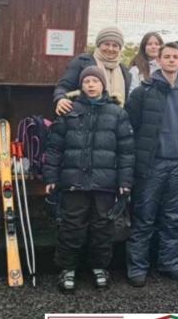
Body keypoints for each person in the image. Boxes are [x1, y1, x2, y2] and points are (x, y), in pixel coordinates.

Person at [43, 66, 135, 292]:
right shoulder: (68, 111)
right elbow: (54, 148)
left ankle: (100, 267)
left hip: (105, 183)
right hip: (74, 182)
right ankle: (67, 269)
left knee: (102, 228)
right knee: (71, 227)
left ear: (103, 85)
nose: (91, 85)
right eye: (87, 81)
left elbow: (126, 152)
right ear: (81, 85)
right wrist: (51, 176)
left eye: (95, 81)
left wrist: (125, 182)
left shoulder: (118, 113)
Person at [125, 42, 178, 287]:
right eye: (166, 56)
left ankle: (170, 263)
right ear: (159, 59)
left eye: (175, 57)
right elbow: (131, 126)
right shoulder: (143, 91)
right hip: (152, 163)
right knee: (144, 216)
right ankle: (137, 267)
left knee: (174, 217)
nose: (171, 60)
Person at [54, 26, 131, 116]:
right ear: (99, 45)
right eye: (106, 44)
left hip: (113, 121)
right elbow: (64, 86)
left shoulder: (124, 70)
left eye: (115, 45)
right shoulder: (82, 62)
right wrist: (60, 98)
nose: (110, 49)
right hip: (83, 117)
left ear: (119, 48)